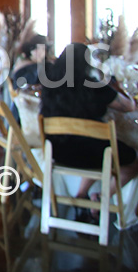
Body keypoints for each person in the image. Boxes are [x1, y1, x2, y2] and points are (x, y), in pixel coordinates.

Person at [40, 43, 138, 209]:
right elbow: (129, 107)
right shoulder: (94, 86)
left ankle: (81, 195)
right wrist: (121, 89)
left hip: (58, 151)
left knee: (98, 147)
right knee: (132, 160)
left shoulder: (49, 84)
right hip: (92, 152)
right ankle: (100, 198)